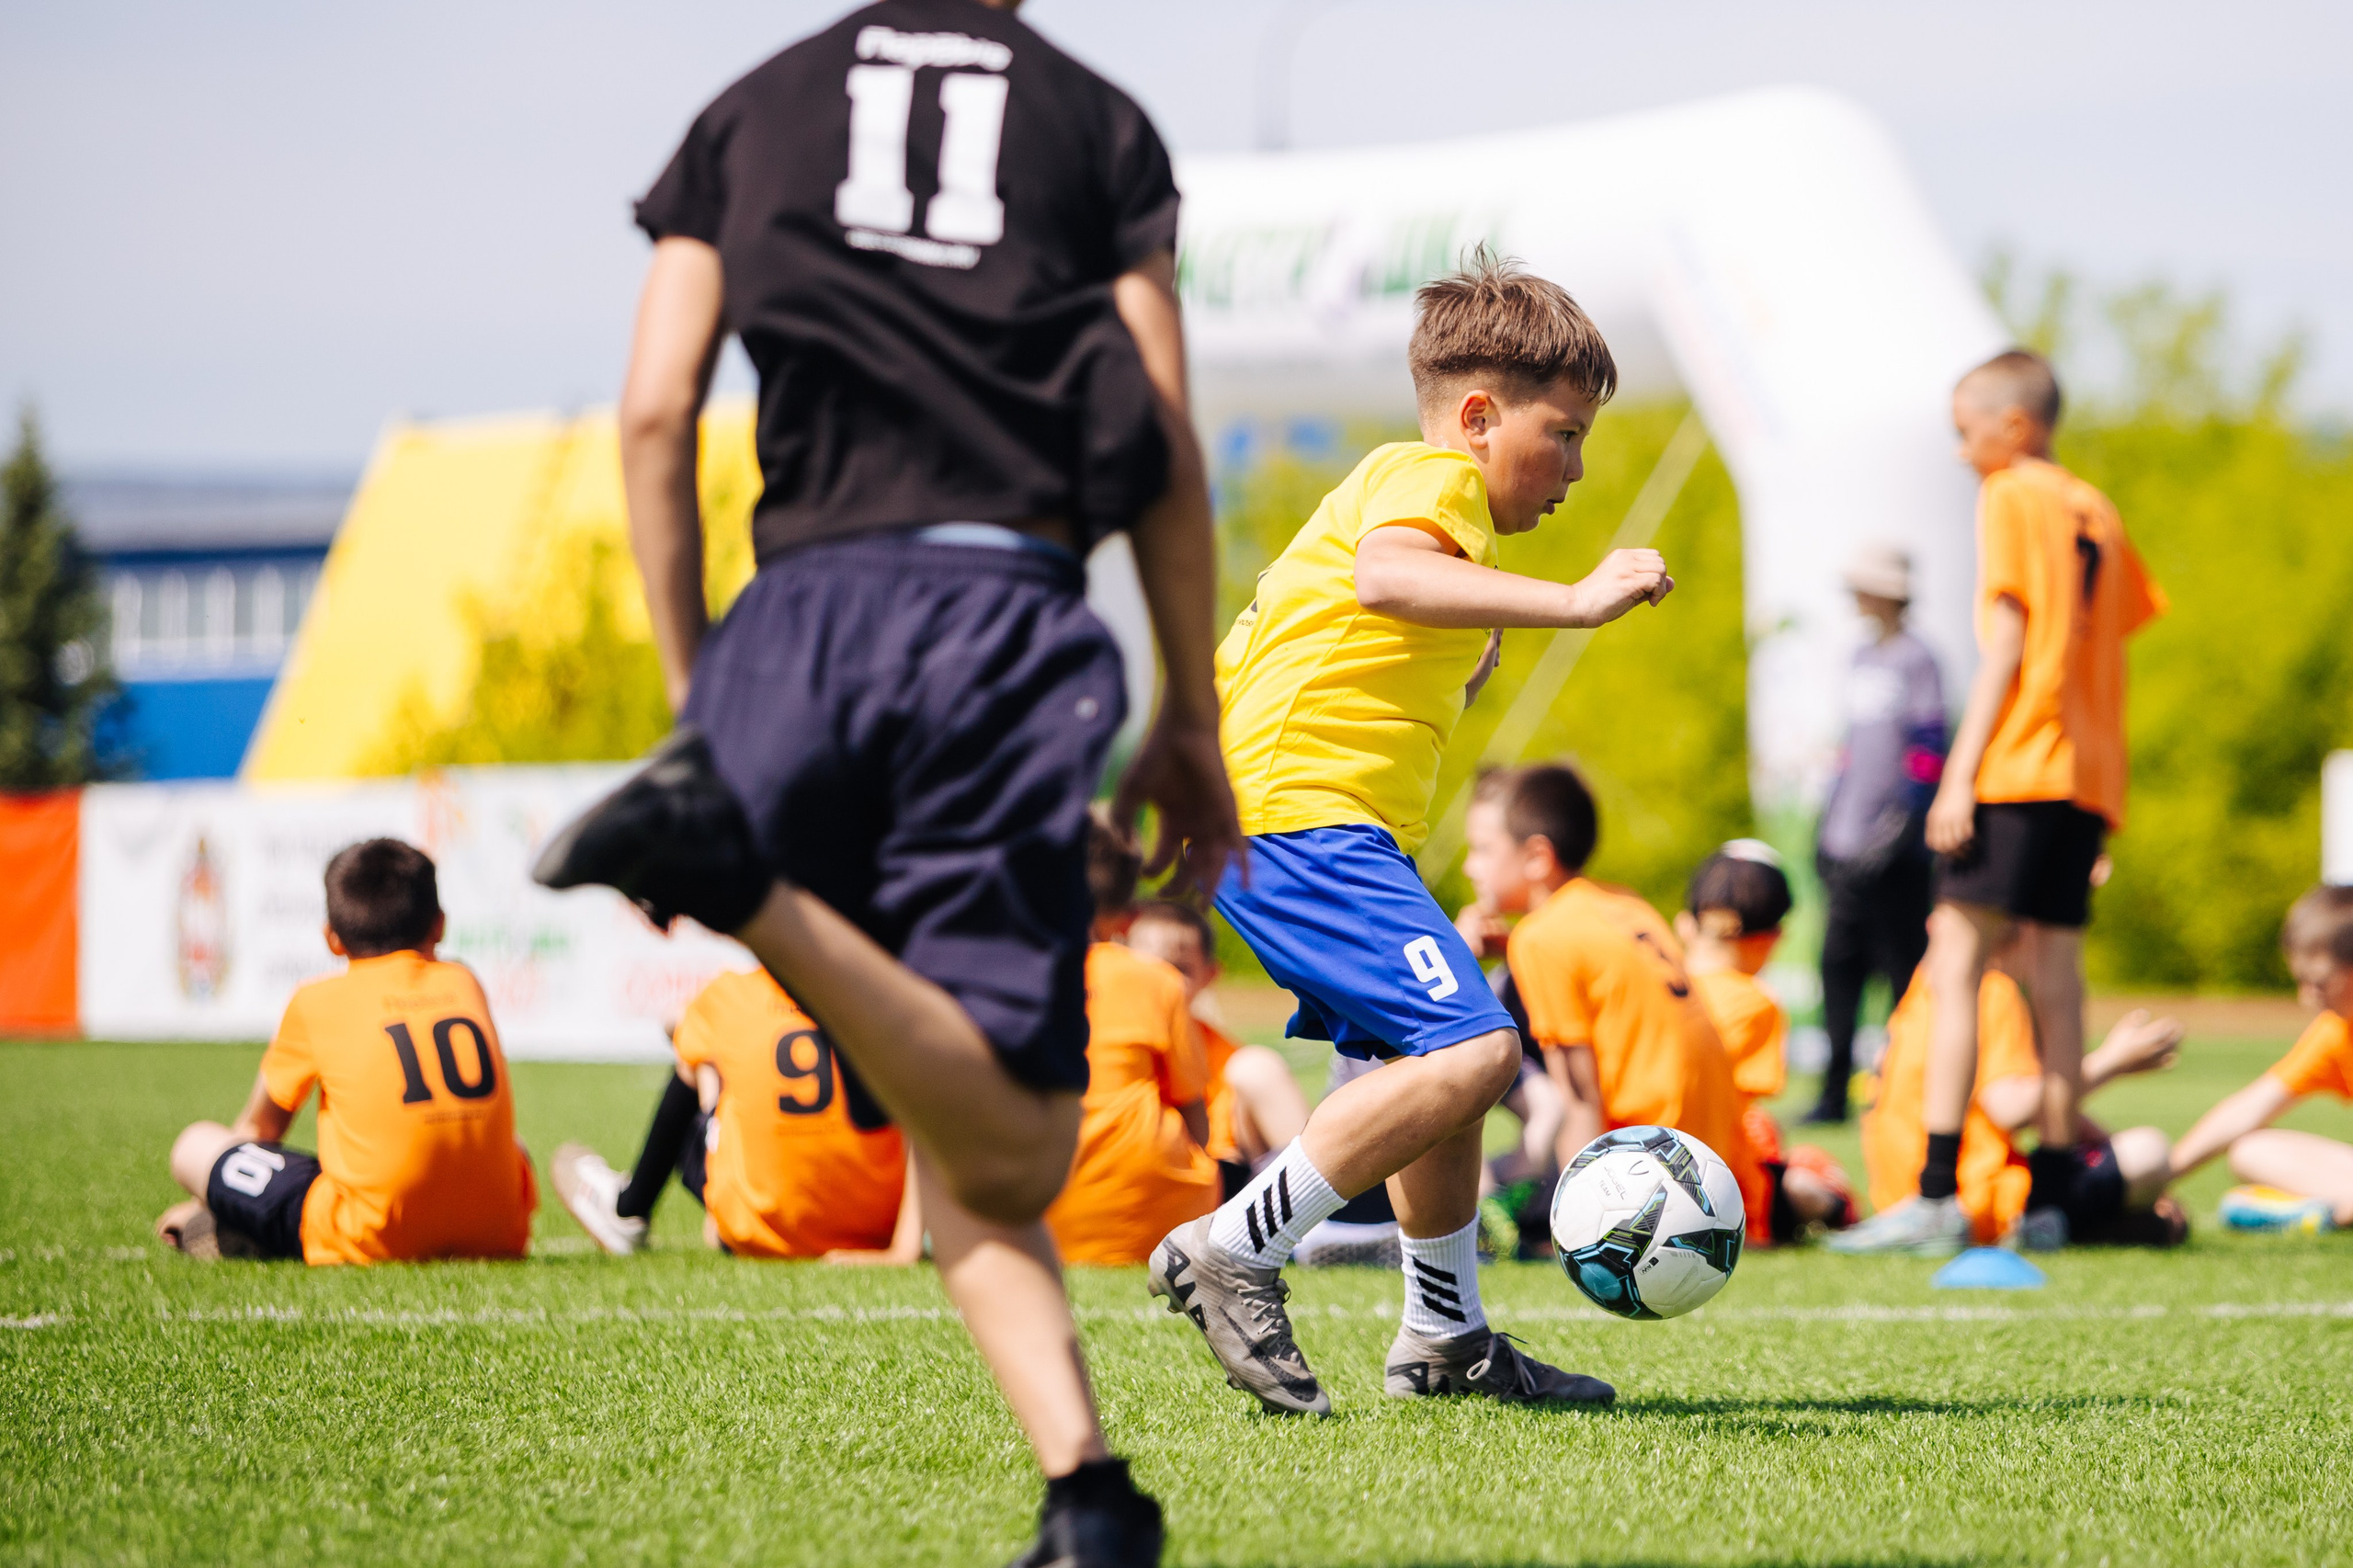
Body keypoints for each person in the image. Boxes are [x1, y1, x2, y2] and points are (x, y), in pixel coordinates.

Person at [529, 3, 1244, 1559]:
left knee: (956, 1150)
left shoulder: (750, 106)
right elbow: (1166, 442)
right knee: (1017, 1149)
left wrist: (693, 685)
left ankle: (1090, 1497)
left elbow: (654, 410)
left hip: (792, 625)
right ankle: (741, 876)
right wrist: (1191, 707)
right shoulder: (1097, 121)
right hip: (996, 613)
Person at [1149, 252, 1668, 1416]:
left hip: (1308, 820)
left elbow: (1376, 616)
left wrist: (1467, 650)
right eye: (1565, 431)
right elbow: (1385, 578)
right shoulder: (1428, 480)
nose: (1576, 466)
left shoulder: (1440, 525)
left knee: (1431, 1064)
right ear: (1478, 418)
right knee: (1478, 1051)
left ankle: (1444, 1334)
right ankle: (1235, 1244)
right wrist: (1575, 601)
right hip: (1295, 813)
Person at [1834, 347, 2166, 1256]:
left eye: (1964, 428)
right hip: (2087, 774)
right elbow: (2116, 630)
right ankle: (2052, 1199)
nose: (1957, 450)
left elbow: (2010, 639)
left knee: (1954, 959)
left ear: (2012, 423)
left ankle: (1935, 1192)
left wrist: (1959, 773)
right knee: (2057, 983)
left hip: (2021, 762)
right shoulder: (2093, 503)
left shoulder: (2012, 492)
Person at [155, 839, 537, 1266]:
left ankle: (238, 1230)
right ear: (440, 926)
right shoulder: (464, 980)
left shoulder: (316, 1001)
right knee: (508, 1142)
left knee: (194, 1145)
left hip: (372, 1234)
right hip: (499, 1233)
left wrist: (214, 1199)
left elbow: (259, 1130)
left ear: (331, 938)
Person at [1465, 767, 1792, 1252]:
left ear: (1537, 857)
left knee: (1462, 1193)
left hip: (1648, 1179)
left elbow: (1579, 1096)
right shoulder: (1625, 903)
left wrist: (1582, 1230)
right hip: (1716, 1168)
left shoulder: (1542, 938)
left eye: (1483, 850)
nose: (1471, 867)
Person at [549, 967, 915, 1261]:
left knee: (696, 1063)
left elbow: (672, 1023)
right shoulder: (887, 994)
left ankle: (629, 1208)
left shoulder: (732, 994)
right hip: (876, 1229)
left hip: (760, 1230)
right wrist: (904, 1248)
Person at [1859, 941, 2186, 1249]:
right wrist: (2110, 1062)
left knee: (2118, 1159)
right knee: (2149, 1152)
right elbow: (2010, 1106)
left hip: (1898, 1202)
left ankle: (2106, 1226)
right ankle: (2071, 1228)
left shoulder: (1920, 991)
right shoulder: (1992, 990)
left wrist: (2101, 1139)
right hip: (1982, 1200)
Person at [1810, 543, 1947, 1124]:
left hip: (1897, 853)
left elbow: (1929, 748)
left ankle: (1898, 1088)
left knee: (1900, 971)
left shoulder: (1919, 659)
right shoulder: (1860, 657)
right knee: (1837, 967)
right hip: (1847, 841)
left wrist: (1903, 827)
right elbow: (1849, 754)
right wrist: (1827, 822)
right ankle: (1834, 1092)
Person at [1042, 816, 1220, 1265]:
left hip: (1034, 1212)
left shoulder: (1012, 974)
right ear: (1129, 913)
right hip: (1160, 1224)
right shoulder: (1157, 979)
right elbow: (1194, 1113)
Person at [1675, 843, 1856, 1239]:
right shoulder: (1757, 1003)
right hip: (1726, 1189)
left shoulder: (1659, 986)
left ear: (1684, 924)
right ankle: (1838, 1207)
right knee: (1811, 1170)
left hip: (1638, 1159)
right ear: (1775, 937)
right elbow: (1745, 1113)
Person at [2166, 885, 2353, 1233]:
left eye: (2318, 982)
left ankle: (2331, 1212)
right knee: (2252, 1150)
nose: (2305, 997)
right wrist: (2155, 1182)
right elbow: (2248, 1109)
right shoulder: (2336, 1032)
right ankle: (2334, 1210)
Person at [1122, 900, 1311, 1188]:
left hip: (1213, 1179)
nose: (1165, 982)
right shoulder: (1104, 1039)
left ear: (1209, 976)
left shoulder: (1222, 1055)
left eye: (1180, 969)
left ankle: (1314, 1194)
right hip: (1129, 1179)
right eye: (1152, 969)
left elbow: (1220, 1151)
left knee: (1258, 1067)